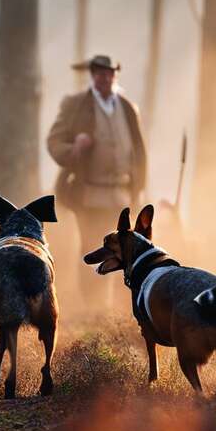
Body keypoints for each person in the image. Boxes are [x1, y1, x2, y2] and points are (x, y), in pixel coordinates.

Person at [47, 54, 148, 307]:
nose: (104, 78)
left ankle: (119, 308)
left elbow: (139, 149)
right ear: (92, 76)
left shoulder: (126, 107)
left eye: (109, 73)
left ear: (115, 75)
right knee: (93, 248)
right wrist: (74, 148)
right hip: (89, 195)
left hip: (121, 195)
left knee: (126, 251)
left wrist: (139, 186)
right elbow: (54, 142)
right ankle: (92, 308)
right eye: (99, 74)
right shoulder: (76, 105)